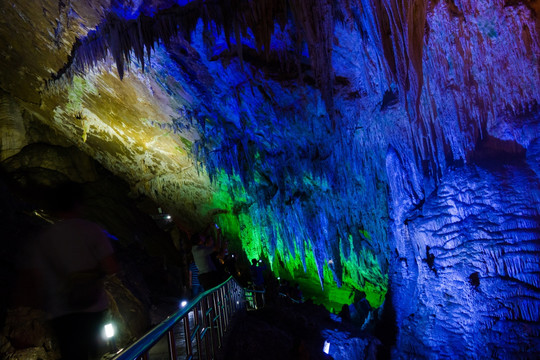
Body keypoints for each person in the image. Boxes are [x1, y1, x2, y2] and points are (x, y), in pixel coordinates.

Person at [32, 183, 118, 360]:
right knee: (91, 353)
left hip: (60, 312)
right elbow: (111, 267)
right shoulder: (92, 230)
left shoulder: (46, 237)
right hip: (91, 307)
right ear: (78, 205)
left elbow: (36, 277)